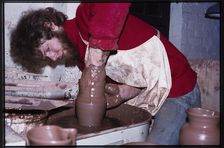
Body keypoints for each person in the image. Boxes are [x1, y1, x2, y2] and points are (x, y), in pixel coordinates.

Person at [10, 3, 201, 145]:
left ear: (50, 25)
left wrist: (97, 53)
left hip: (178, 89)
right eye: (46, 57)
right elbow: (139, 81)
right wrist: (123, 92)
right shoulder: (80, 60)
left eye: (48, 49)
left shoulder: (86, 20)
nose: (52, 58)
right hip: (150, 97)